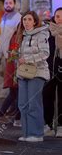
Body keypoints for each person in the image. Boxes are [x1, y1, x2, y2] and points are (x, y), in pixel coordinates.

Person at [16, 11, 50, 142]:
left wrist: (28, 59)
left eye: (29, 19)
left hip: (38, 72)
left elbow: (45, 53)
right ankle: (26, 133)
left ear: (35, 21)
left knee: (33, 103)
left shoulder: (41, 34)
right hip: (23, 73)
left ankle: (36, 134)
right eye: (24, 19)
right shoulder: (23, 36)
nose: (26, 22)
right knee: (23, 104)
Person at [0, 0, 21, 122]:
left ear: (14, 4)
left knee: (14, 86)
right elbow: (2, 38)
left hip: (14, 56)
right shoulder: (4, 17)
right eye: (6, 3)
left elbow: (17, 37)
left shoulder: (18, 17)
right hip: (7, 56)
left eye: (11, 3)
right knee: (12, 86)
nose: (8, 4)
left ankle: (4, 111)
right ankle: (13, 111)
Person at [43, 7, 62, 136]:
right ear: (54, 18)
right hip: (49, 69)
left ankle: (60, 126)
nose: (59, 19)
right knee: (46, 96)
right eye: (57, 16)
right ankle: (48, 125)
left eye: (61, 16)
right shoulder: (48, 32)